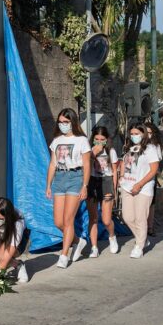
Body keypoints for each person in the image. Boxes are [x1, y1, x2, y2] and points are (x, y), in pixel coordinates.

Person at [45, 108, 91, 269]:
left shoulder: (81, 140)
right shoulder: (56, 141)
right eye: (60, 122)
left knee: (68, 220)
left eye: (66, 122)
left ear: (73, 122)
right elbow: (52, 164)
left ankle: (64, 255)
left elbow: (86, 164)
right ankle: (78, 241)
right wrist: (48, 185)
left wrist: (84, 185)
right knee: (58, 221)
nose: (63, 125)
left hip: (75, 178)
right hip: (59, 178)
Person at [119, 123, 161, 258]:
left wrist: (140, 184)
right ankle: (143, 239)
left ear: (143, 134)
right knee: (127, 217)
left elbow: (154, 170)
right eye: (132, 134)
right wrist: (121, 177)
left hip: (143, 188)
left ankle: (139, 246)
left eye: (137, 133)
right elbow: (124, 163)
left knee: (140, 218)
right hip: (127, 186)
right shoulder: (129, 147)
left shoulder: (150, 148)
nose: (134, 136)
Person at [83, 126, 119, 257]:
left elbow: (115, 171)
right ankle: (94, 247)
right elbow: (85, 166)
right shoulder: (89, 151)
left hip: (106, 181)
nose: (99, 142)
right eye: (96, 139)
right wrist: (93, 154)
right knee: (93, 217)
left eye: (102, 139)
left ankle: (112, 236)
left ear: (106, 139)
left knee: (106, 220)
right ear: (93, 139)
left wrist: (114, 189)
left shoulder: (111, 151)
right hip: (92, 181)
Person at [144, 122, 163, 236]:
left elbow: (156, 165)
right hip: (137, 178)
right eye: (146, 132)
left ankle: (150, 227)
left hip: (150, 177)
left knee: (150, 204)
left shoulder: (155, 146)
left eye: (150, 133)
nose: (148, 135)